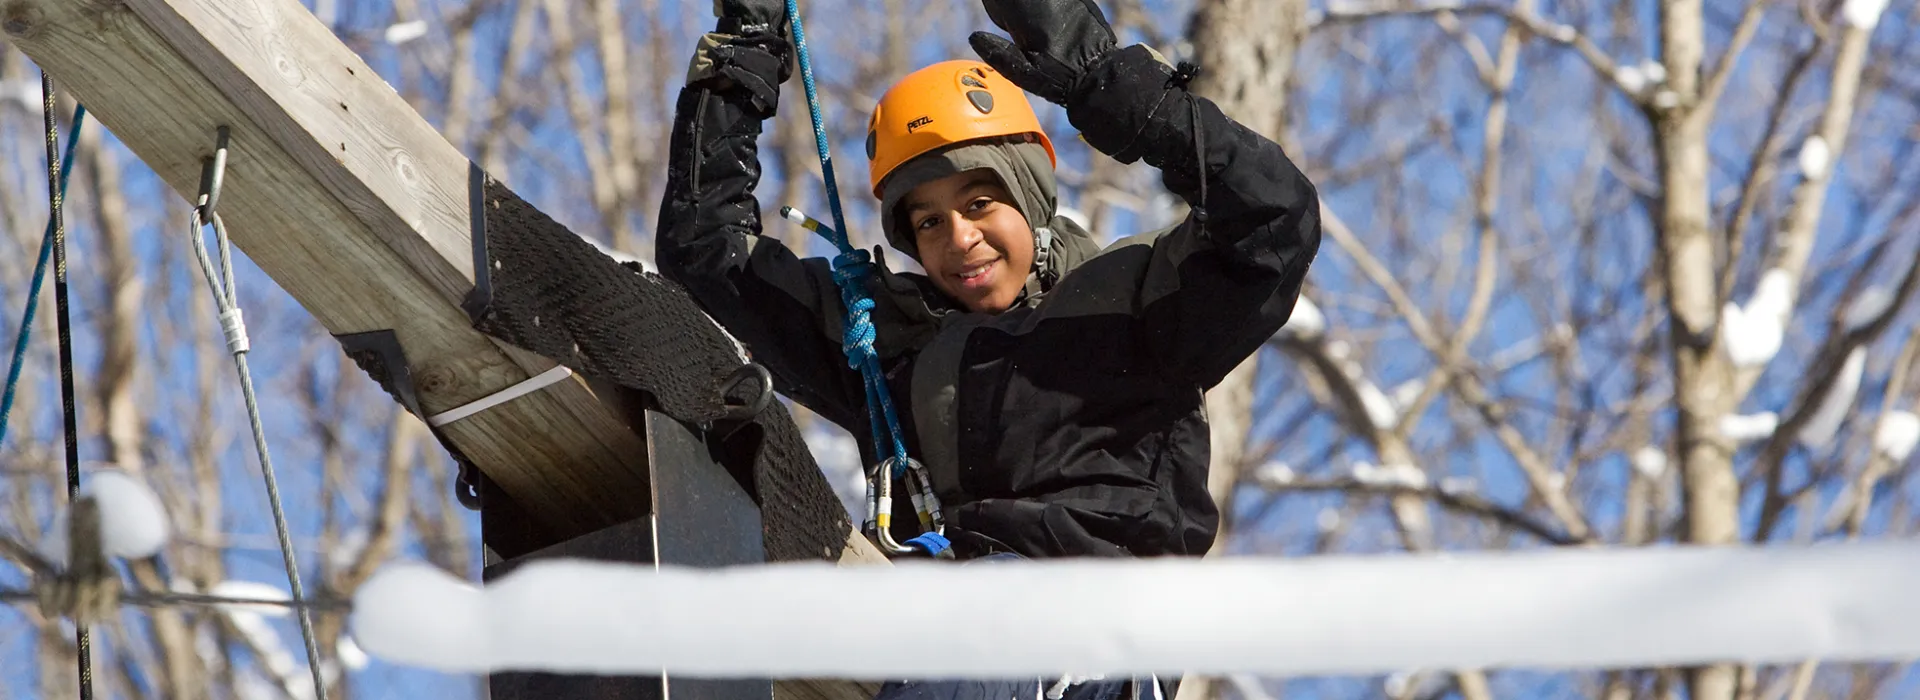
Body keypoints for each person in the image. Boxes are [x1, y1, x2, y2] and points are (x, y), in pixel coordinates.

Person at [658, 0, 1319, 693]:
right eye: (929, 222)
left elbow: (1274, 222)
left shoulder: (1135, 301)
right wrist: (746, 51)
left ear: (1028, 197)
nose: (960, 238)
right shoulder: (891, 347)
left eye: (979, 204)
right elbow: (706, 247)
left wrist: (1115, 90)